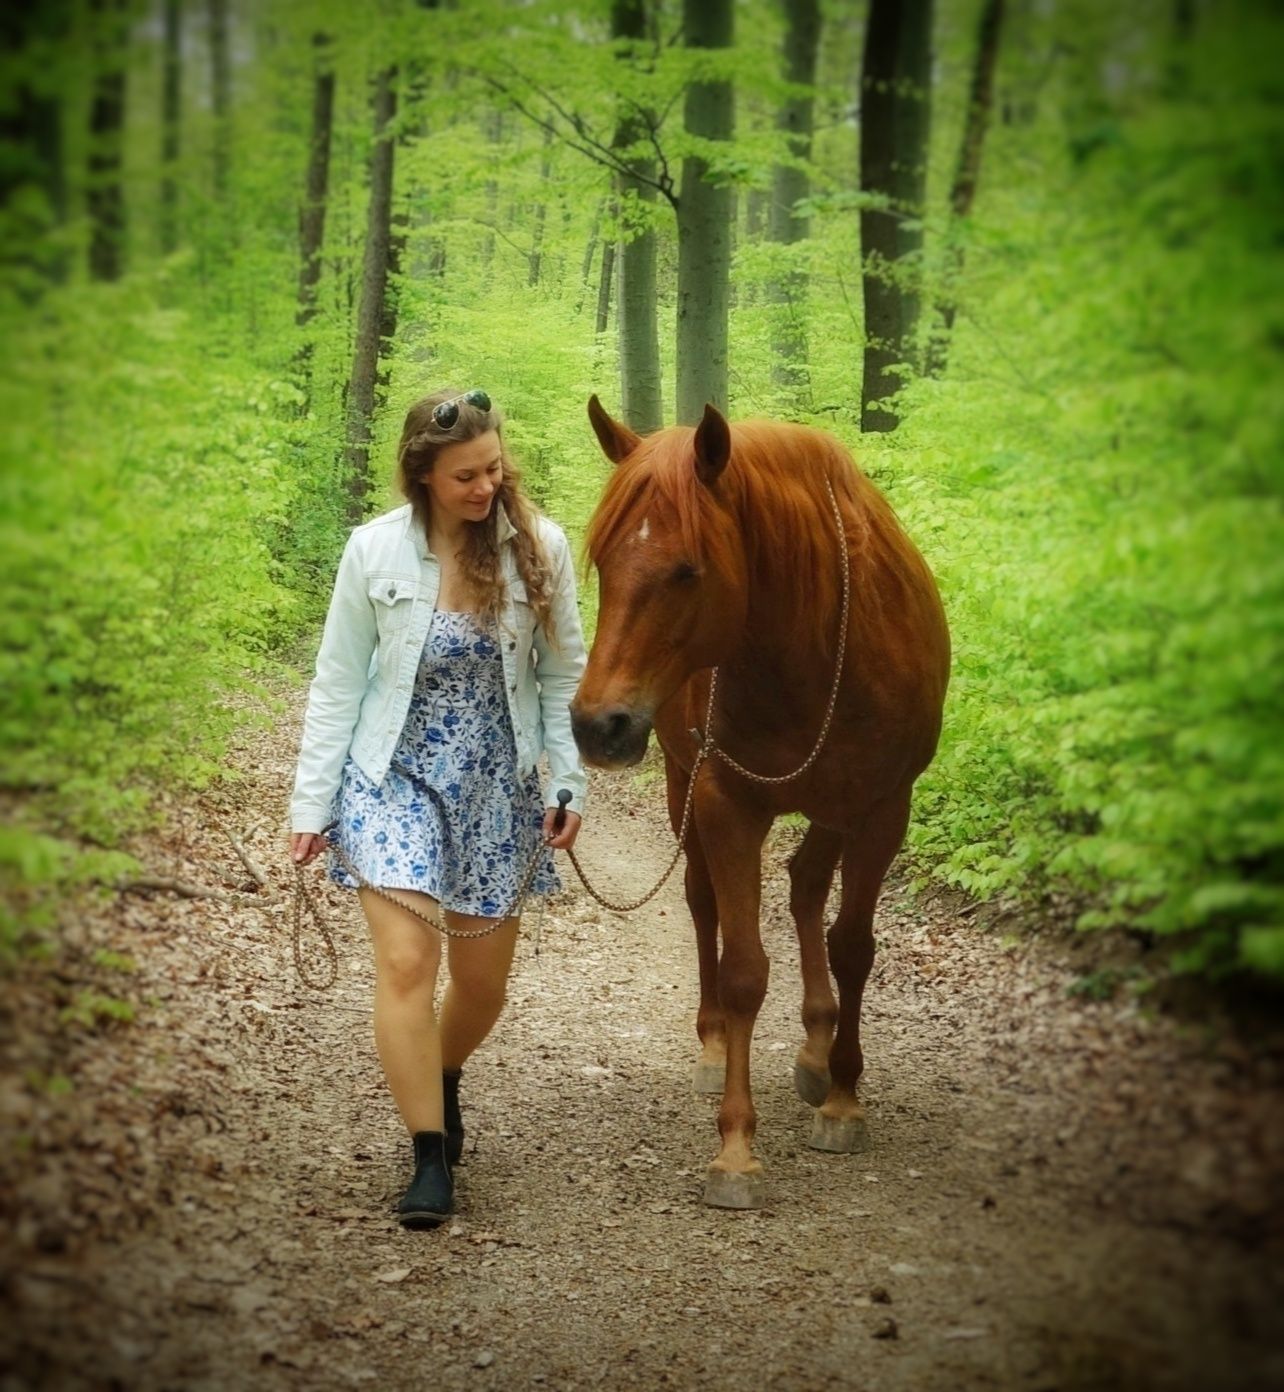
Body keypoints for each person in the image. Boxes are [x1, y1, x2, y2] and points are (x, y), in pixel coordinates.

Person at [288, 387, 587, 1229]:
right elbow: (337, 682)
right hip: (391, 780)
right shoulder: (374, 550)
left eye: (492, 468)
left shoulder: (540, 548)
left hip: (497, 786)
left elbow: (563, 675)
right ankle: (428, 1156)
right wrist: (310, 805)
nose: (485, 486)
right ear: (422, 475)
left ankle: (442, 1073)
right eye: (465, 476)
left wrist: (568, 784)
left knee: (483, 987)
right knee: (408, 964)